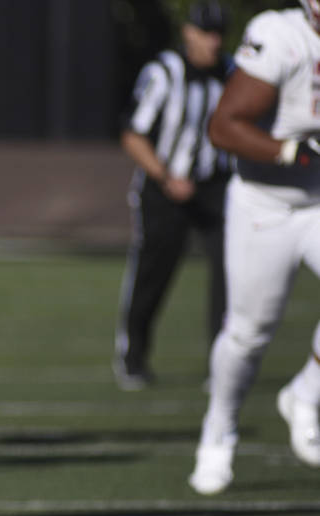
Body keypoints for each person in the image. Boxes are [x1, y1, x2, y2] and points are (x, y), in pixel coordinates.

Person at [189, 1, 320, 494]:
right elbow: (223, 126)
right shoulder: (280, 35)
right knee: (248, 334)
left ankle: (306, 393)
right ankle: (218, 432)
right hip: (264, 204)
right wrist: (289, 150)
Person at [113, 0, 232, 391]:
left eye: (218, 33)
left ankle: (223, 364)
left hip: (216, 186)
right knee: (153, 273)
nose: (213, 42)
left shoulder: (232, 73)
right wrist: (166, 176)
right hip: (164, 186)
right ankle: (133, 356)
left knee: (231, 273)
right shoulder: (165, 72)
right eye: (205, 32)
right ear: (188, 32)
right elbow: (133, 134)